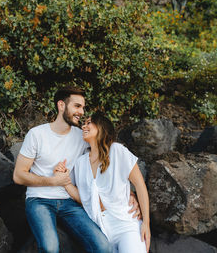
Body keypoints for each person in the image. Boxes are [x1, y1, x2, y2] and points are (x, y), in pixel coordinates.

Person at [13, 86, 141, 253]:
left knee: (103, 247)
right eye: (77, 106)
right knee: (50, 248)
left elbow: (106, 161)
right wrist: (53, 181)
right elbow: (18, 175)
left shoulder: (81, 136)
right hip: (40, 200)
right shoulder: (37, 134)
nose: (81, 112)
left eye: (82, 107)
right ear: (61, 105)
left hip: (70, 202)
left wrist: (129, 193)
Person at [54, 112, 151, 253]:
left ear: (101, 127)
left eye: (89, 122)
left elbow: (140, 185)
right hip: (100, 231)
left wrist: (146, 224)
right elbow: (85, 199)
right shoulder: (81, 163)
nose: (84, 126)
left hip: (126, 226)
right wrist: (64, 181)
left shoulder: (117, 151)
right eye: (83, 123)